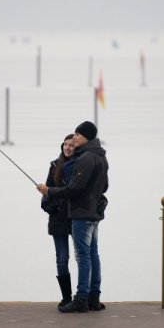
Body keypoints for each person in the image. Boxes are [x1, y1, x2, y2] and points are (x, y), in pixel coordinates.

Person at [37, 121, 109, 313]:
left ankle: (82, 299)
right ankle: (94, 297)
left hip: (81, 213)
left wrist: (50, 190)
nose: (74, 137)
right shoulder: (101, 157)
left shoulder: (85, 158)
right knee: (93, 255)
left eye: (77, 134)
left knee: (83, 256)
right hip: (94, 212)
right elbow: (105, 187)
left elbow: (75, 188)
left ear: (85, 137)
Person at [40, 134, 76, 307]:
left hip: (77, 217)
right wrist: (49, 207)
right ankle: (66, 297)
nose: (68, 148)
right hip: (58, 218)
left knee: (84, 257)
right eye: (65, 145)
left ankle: (84, 296)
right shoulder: (55, 166)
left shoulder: (81, 165)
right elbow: (47, 190)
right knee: (62, 258)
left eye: (72, 145)